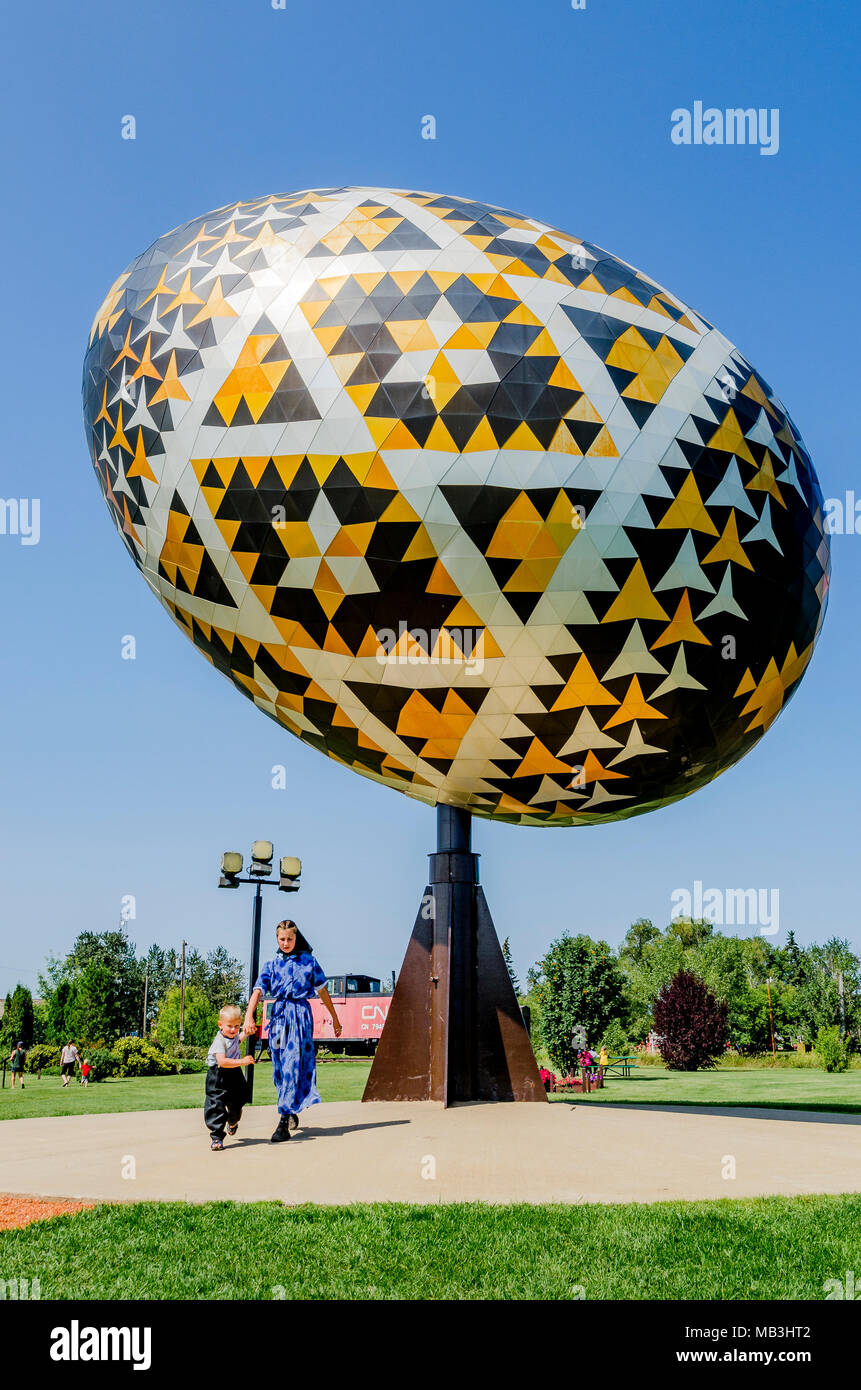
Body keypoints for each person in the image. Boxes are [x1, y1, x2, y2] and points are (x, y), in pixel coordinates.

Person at [243, 920, 342, 1144]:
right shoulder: (271, 964)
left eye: (289, 939)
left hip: (299, 1016)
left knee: (292, 1064)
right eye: (282, 939)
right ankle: (290, 1108)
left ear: (296, 938)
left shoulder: (309, 962)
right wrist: (249, 1015)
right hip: (278, 1017)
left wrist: (335, 1018)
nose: (286, 943)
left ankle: (282, 1121)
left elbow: (323, 992)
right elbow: (258, 990)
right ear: (277, 939)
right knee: (279, 1070)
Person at [205, 1005, 255, 1152]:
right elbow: (222, 1062)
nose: (233, 1030)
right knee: (216, 1105)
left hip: (234, 1074)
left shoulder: (232, 1036)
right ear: (220, 1025)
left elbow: (235, 1042)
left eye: (237, 1026)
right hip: (218, 1075)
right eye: (230, 1026)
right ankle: (217, 1137)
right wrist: (243, 1061)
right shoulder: (218, 1041)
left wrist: (245, 1034)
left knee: (237, 1103)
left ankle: (233, 1122)